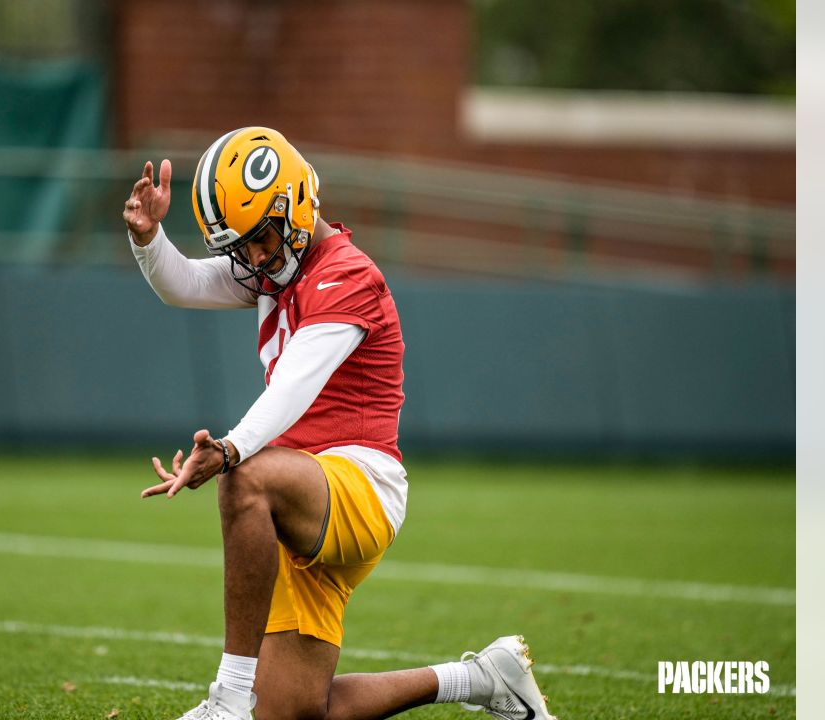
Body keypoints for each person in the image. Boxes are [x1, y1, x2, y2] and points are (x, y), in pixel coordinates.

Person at [121, 127, 557, 720]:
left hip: (359, 487)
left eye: (260, 240)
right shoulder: (278, 265)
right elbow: (185, 284)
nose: (252, 259)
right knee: (293, 712)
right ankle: (480, 678)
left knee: (246, 479)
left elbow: (295, 384)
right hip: (306, 504)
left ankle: (225, 700)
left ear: (296, 206)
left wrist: (229, 450)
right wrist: (148, 240)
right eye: (241, 247)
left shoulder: (346, 273)